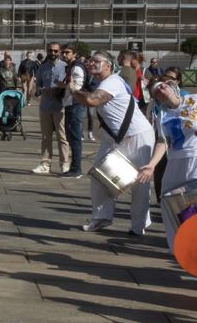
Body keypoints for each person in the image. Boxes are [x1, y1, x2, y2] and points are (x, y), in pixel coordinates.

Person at [72, 50, 154, 235]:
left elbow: (91, 100)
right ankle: (101, 217)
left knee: (139, 181)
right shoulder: (102, 82)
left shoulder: (113, 81)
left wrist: (73, 91)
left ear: (108, 65)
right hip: (114, 138)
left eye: (96, 61)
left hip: (137, 134)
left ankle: (138, 225)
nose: (91, 63)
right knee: (100, 175)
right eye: (90, 61)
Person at [140, 78, 197, 248]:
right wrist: (152, 165)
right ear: (155, 99)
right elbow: (163, 141)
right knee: (170, 202)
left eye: (163, 85)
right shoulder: (162, 115)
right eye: (156, 91)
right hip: (175, 163)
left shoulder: (194, 100)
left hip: (195, 158)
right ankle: (179, 248)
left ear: (174, 87)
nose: (161, 89)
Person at [33, 43, 68, 175]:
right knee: (46, 136)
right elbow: (38, 84)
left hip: (60, 106)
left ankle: (64, 164)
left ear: (59, 52)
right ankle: (45, 163)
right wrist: (40, 90)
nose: (52, 53)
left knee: (62, 136)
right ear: (47, 51)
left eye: (55, 51)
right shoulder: (42, 68)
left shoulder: (65, 67)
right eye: (50, 51)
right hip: (45, 105)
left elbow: (69, 85)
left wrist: (57, 89)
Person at [59, 44, 88, 179]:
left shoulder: (76, 66)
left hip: (75, 105)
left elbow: (78, 85)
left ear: (74, 54)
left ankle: (76, 169)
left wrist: (63, 86)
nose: (64, 55)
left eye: (68, 52)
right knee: (72, 138)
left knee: (75, 139)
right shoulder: (72, 66)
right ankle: (74, 168)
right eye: (63, 52)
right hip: (72, 105)